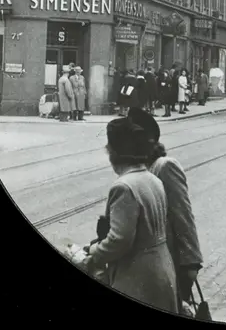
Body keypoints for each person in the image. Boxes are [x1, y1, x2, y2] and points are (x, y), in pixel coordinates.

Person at [81, 117, 179, 313]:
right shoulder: (153, 179)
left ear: (114, 154)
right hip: (162, 269)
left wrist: (93, 252)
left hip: (136, 276)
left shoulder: (123, 187)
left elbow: (119, 240)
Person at [128, 108, 203, 314]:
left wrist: (191, 263)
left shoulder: (164, 166)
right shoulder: (140, 170)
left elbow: (183, 215)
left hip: (172, 261)